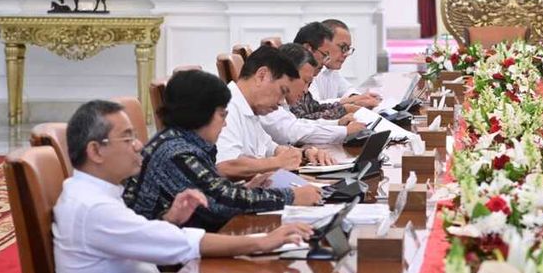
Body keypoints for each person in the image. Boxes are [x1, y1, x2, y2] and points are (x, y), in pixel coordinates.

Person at [54, 100, 312, 273]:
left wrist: (170, 220)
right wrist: (262, 242)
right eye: (127, 138)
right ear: (96, 151)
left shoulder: (93, 193)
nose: (138, 146)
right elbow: (181, 243)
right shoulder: (93, 207)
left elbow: (137, 241)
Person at [124, 70, 322, 232]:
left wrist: (246, 190)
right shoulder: (176, 152)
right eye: (221, 115)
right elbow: (220, 203)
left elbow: (214, 193)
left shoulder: (184, 142)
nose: (225, 122)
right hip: (165, 260)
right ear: (200, 113)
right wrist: (292, 196)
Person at [215, 45, 332, 178]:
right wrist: (276, 163)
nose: (281, 101)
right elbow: (224, 167)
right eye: (282, 91)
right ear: (261, 76)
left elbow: (272, 149)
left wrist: (304, 154)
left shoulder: (250, 109)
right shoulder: (226, 106)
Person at [260, 43, 366, 146]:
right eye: (325, 54)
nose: (306, 90)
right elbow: (292, 132)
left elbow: (297, 124)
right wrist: (343, 131)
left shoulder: (280, 103)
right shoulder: (262, 104)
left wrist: (337, 124)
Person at [309, 19, 381, 108]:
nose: (346, 54)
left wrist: (359, 98)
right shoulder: (306, 69)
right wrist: (353, 101)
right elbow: (313, 107)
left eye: (348, 49)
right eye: (343, 47)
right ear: (324, 43)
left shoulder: (331, 71)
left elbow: (348, 90)